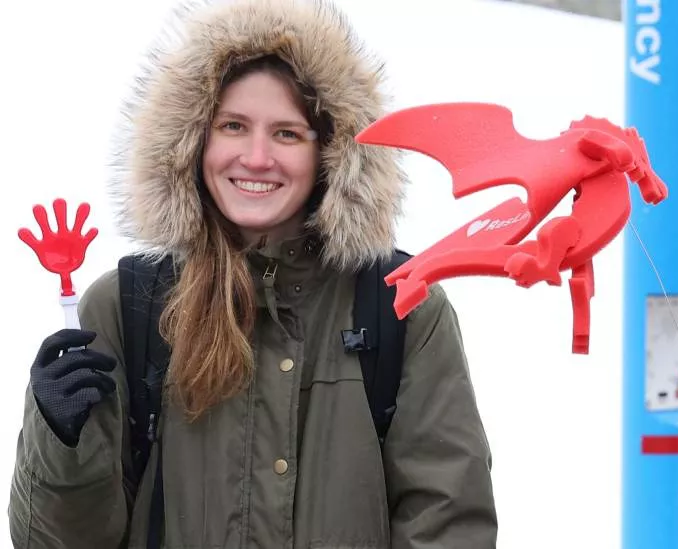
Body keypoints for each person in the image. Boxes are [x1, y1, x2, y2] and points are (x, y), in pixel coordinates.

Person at [9, 1, 499, 547]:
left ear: (331, 151)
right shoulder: (127, 307)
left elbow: (448, 524)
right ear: (195, 140)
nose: (257, 157)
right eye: (233, 126)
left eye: (288, 133)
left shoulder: (401, 303)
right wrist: (61, 443)